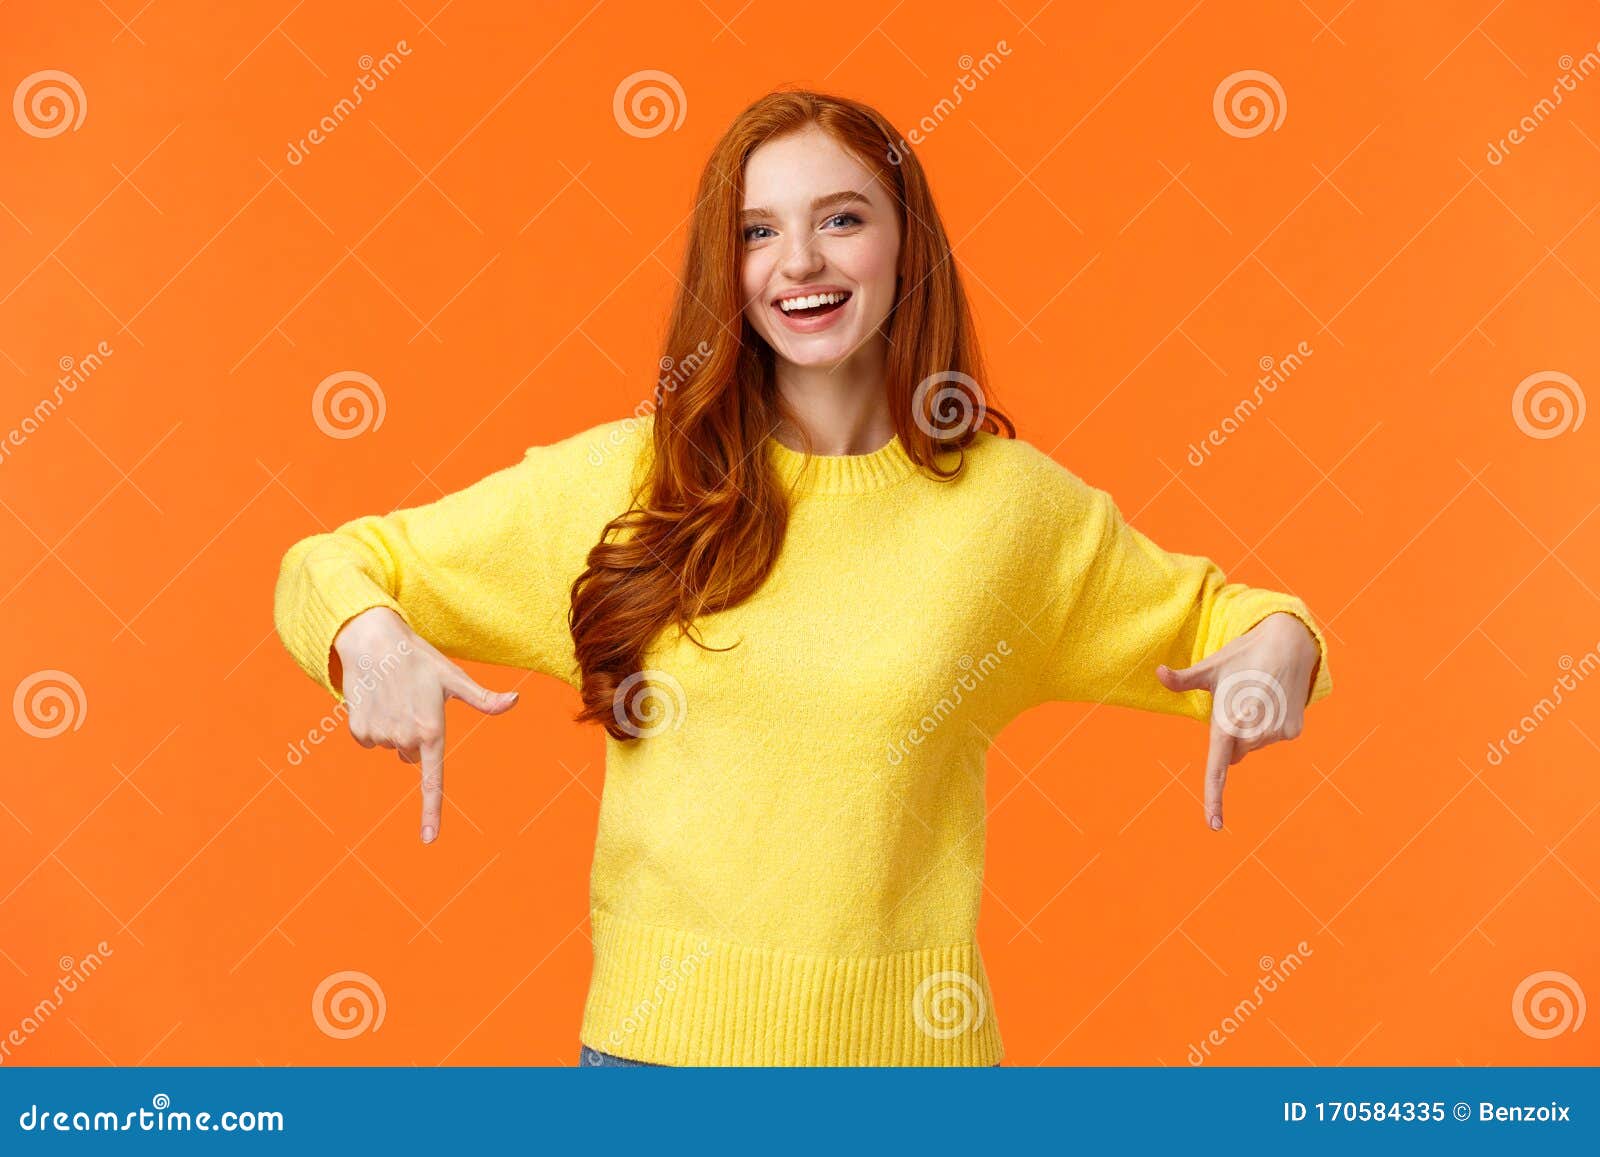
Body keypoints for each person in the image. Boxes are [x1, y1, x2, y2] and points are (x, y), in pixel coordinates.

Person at [272, 89, 1332, 1068]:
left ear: (904, 242)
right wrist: (367, 636)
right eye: (756, 230)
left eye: (841, 219)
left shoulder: (1011, 512)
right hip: (653, 1073)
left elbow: (1229, 618)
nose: (797, 262)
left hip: (920, 1075)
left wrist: (1283, 643)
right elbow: (329, 564)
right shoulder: (627, 482)